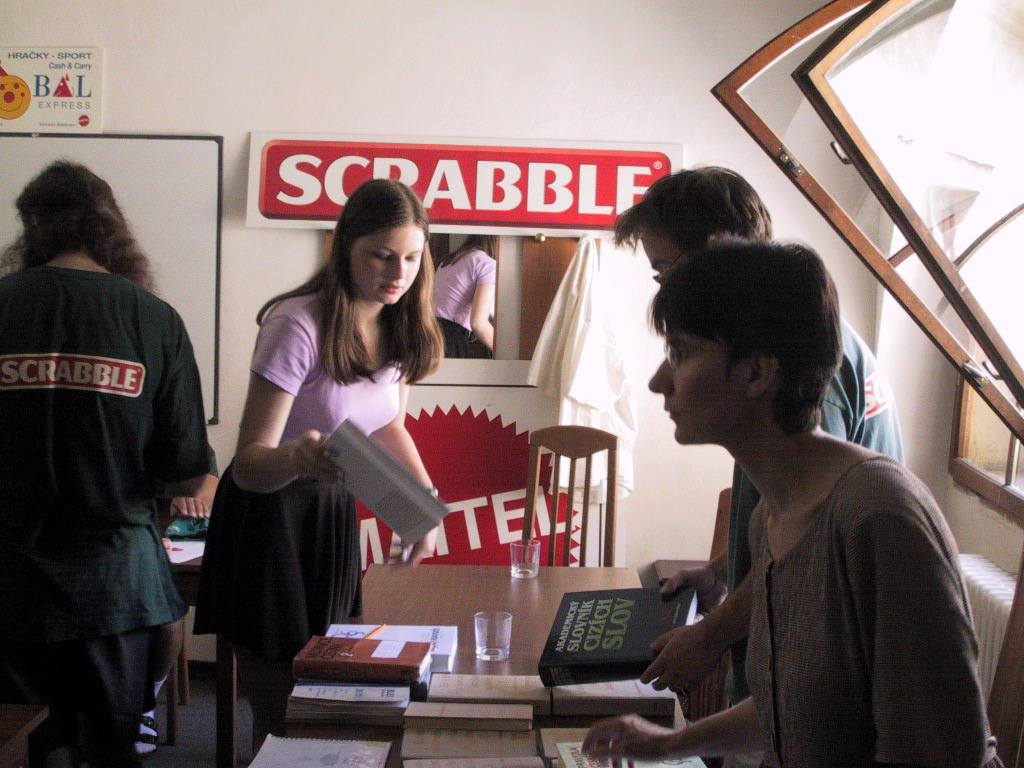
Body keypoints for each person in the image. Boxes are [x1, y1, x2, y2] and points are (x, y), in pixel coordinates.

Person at [583, 240, 999, 768]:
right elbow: (795, 713)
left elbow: (942, 751)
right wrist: (668, 745)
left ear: (758, 373)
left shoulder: (879, 515)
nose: (658, 382)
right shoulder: (770, 518)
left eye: (681, 353)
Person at [613, 168, 903, 720]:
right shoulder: (792, 345)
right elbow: (789, 520)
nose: (665, 289)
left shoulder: (812, 374)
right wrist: (720, 570)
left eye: (667, 270)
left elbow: (812, 539)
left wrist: (708, 637)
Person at [195, 177, 445, 744]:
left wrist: (423, 506)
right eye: (381, 255)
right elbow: (249, 464)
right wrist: (297, 458)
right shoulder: (297, 322)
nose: (398, 273)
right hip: (268, 516)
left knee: (325, 691)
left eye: (411, 257)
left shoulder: (400, 325)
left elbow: (388, 425)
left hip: (329, 511)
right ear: (345, 246)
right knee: (281, 710)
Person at [0, 161, 213, 768]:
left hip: (8, 584)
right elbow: (185, 472)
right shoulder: (154, 319)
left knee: (15, 747)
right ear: (110, 228)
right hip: (115, 590)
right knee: (111, 752)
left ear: (33, 226)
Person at [432, 234, 497, 357]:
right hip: (450, 338)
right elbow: (479, 324)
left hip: (428, 331)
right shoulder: (487, 264)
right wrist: (508, 354)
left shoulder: (449, 260)